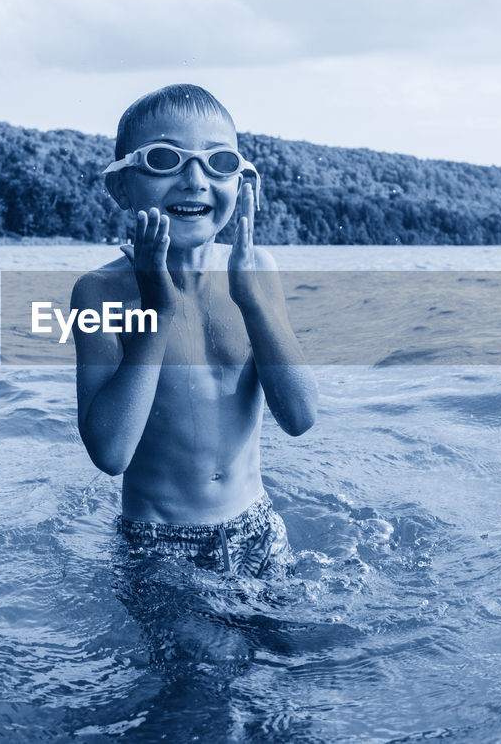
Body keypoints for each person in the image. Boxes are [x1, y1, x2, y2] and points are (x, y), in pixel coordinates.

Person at [72, 84, 318, 580]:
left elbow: (300, 417)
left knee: (310, 655)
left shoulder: (256, 270)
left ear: (243, 184)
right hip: (159, 546)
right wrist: (157, 313)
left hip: (258, 524)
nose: (194, 179)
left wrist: (254, 302)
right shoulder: (100, 293)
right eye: (165, 159)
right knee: (211, 656)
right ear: (121, 188)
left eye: (218, 162)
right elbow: (110, 454)